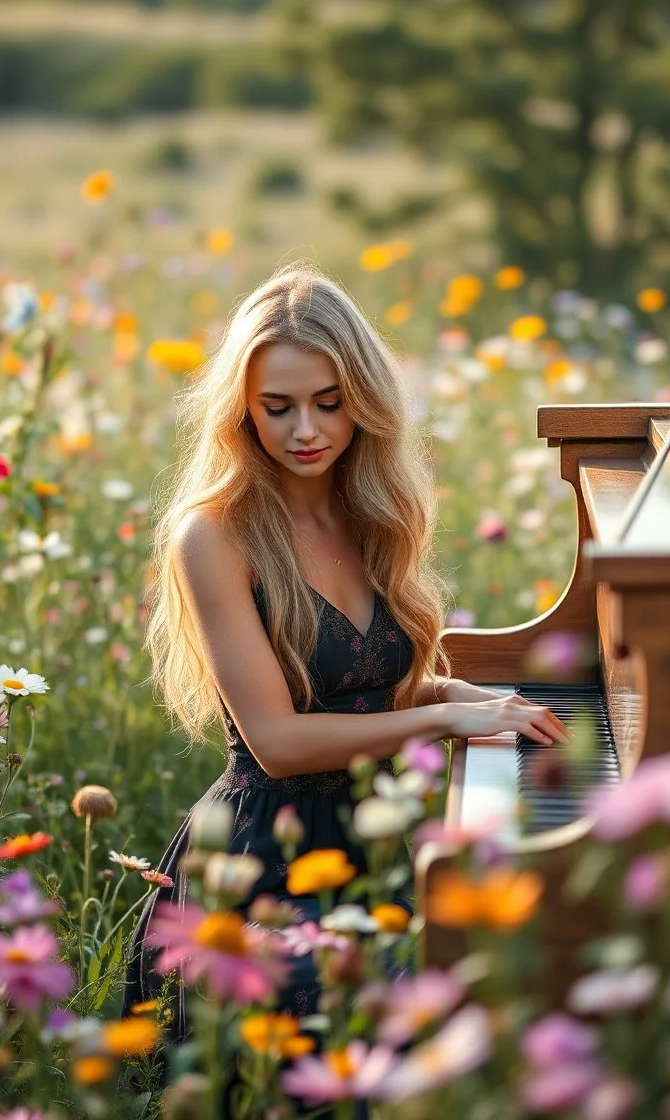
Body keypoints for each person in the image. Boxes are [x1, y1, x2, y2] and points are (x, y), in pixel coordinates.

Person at [121, 262, 569, 1042]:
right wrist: (446, 723)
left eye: (330, 404)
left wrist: (456, 698)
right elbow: (282, 739)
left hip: (368, 841)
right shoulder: (216, 535)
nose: (306, 431)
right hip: (264, 869)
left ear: (363, 402)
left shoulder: (370, 515)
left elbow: (368, 688)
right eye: (278, 407)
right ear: (241, 411)